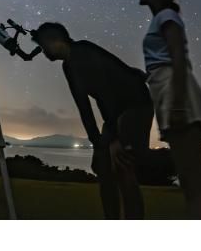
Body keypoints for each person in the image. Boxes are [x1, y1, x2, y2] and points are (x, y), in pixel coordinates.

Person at [31, 22, 153, 219]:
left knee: (123, 166)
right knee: (102, 167)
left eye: (44, 46)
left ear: (53, 41)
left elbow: (107, 92)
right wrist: (97, 140)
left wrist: (113, 139)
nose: (43, 52)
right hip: (114, 113)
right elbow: (84, 107)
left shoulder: (83, 51)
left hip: (134, 105)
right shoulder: (68, 66)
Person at [137, 0, 201, 218]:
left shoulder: (166, 16)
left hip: (175, 93)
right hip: (169, 92)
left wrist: (177, 106)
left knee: (197, 185)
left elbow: (178, 58)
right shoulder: (162, 18)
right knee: (192, 183)